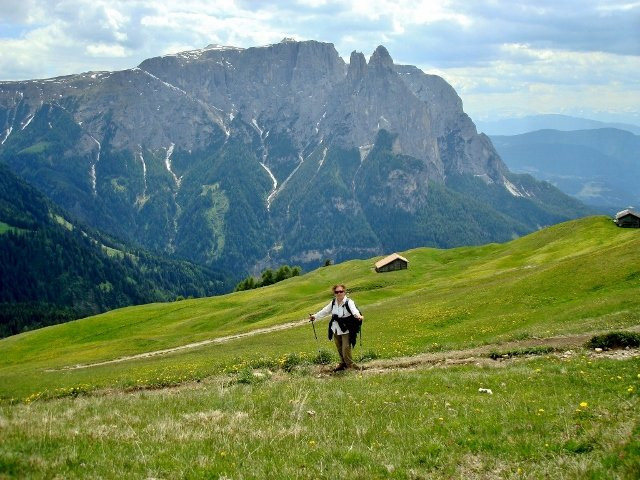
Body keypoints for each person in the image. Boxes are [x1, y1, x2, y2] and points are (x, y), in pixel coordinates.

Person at [309, 284, 363, 371]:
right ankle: (343, 364)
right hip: (335, 328)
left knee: (345, 348)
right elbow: (325, 311)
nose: (339, 293)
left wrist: (358, 316)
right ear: (334, 293)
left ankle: (350, 366)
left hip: (346, 329)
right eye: (336, 292)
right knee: (339, 347)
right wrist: (315, 316)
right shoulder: (333, 302)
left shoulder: (349, 302)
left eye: (341, 291)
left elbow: (354, 310)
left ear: (344, 292)